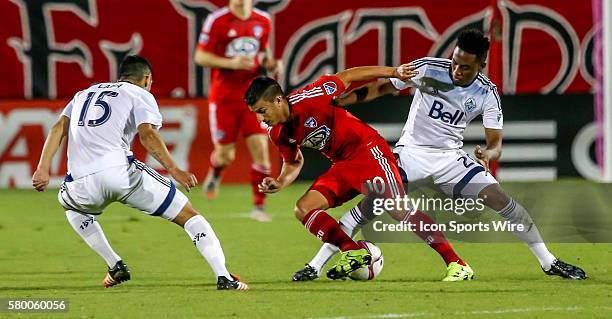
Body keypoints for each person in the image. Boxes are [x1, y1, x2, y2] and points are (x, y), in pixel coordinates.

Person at [294, 29, 587, 281]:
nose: (457, 70)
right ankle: (314, 266)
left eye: (465, 68)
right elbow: (379, 87)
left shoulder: (487, 93)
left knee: (501, 201)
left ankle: (549, 261)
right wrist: (340, 102)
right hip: (409, 153)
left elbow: (495, 142)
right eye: (455, 62)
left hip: (450, 159)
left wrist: (488, 153)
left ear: (481, 66)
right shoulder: (427, 68)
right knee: (368, 207)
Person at [31, 55, 249, 290]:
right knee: (190, 216)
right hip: (121, 174)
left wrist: (42, 168)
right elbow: (147, 134)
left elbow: (58, 128)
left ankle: (114, 264)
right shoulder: (140, 94)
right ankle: (224, 277)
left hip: (82, 181)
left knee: (71, 207)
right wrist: (174, 169)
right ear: (146, 79)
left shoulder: (84, 93)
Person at [243, 64, 472, 280]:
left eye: (262, 110)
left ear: (278, 100)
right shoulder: (278, 133)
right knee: (303, 208)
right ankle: (353, 251)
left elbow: (349, 76)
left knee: (399, 210)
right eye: (256, 113)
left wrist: (394, 72)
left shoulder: (310, 97)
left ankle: (458, 264)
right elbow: (293, 162)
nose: (260, 118)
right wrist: (280, 182)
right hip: (342, 166)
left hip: (369, 153)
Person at [194, 0, 281, 222]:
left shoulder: (263, 20)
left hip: (253, 97)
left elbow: (263, 53)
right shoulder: (218, 21)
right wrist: (231, 63)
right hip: (224, 98)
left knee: (261, 151)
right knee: (226, 155)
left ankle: (259, 208)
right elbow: (200, 56)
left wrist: (270, 64)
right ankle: (216, 171)